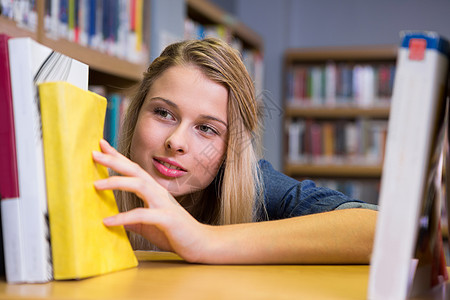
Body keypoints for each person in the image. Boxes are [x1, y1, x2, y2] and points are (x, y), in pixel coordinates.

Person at [92, 38, 378, 265]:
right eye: (164, 113)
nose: (176, 142)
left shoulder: (258, 187)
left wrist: (204, 239)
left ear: (231, 148)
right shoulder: (91, 174)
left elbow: (382, 230)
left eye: (206, 129)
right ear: (136, 113)